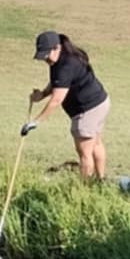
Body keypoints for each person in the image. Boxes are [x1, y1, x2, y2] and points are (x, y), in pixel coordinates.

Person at [27, 31, 110, 180]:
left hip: (87, 110)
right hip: (100, 102)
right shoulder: (62, 57)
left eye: (47, 54)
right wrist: (42, 94)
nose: (45, 58)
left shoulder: (66, 65)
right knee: (95, 143)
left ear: (57, 47)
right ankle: (101, 180)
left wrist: (35, 122)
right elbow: (58, 82)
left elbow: (57, 100)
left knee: (85, 153)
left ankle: (85, 189)